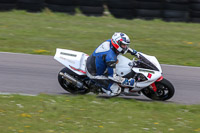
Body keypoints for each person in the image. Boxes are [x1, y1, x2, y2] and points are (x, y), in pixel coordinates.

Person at [86, 32, 139, 96]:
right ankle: (101, 89)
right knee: (117, 90)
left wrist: (134, 53)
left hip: (96, 63)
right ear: (117, 43)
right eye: (123, 45)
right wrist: (127, 81)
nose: (125, 47)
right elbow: (112, 77)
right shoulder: (110, 57)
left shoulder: (110, 42)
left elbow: (124, 48)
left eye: (126, 45)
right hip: (94, 74)